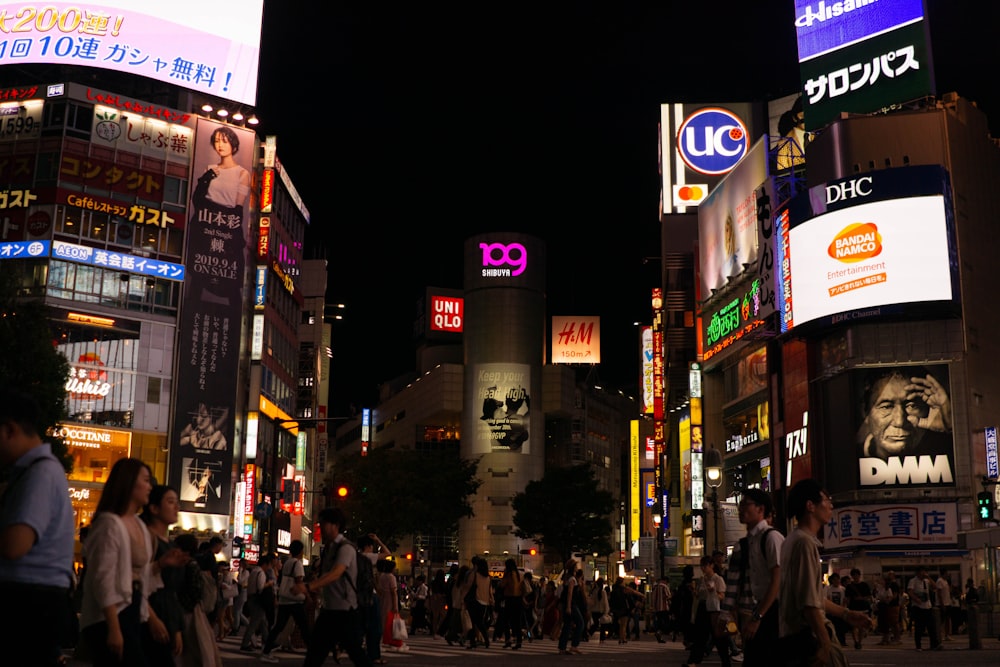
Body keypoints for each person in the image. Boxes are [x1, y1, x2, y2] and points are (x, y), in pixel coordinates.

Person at [0, 389, 76, 666]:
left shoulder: (41, 473)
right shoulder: (36, 471)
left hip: (28, 602)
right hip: (34, 600)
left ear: (9, 430)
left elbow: (15, 545)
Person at [79, 458, 162, 666]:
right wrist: (114, 627)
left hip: (132, 607)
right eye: (145, 480)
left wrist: (149, 616)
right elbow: (103, 578)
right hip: (109, 614)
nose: (150, 486)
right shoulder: (109, 524)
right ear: (129, 482)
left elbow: (141, 576)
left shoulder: (139, 526)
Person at [778, 480, 869, 667]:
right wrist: (825, 644)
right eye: (827, 500)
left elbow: (814, 596)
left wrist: (846, 614)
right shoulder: (804, 543)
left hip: (794, 638)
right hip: (807, 639)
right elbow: (809, 604)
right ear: (810, 506)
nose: (831, 505)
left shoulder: (792, 540)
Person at [302, 507, 373, 667]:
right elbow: (326, 577)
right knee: (315, 654)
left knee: (356, 653)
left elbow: (336, 573)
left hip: (345, 611)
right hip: (330, 610)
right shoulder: (329, 548)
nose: (321, 527)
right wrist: (315, 595)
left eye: (323, 524)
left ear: (335, 525)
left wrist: (309, 586)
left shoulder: (346, 548)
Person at [733, 488, 783, 667]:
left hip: (773, 611)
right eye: (740, 505)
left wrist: (757, 617)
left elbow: (777, 581)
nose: (740, 509)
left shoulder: (771, 537)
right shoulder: (749, 541)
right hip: (760, 608)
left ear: (761, 509)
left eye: (745, 504)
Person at [856, 368, 953, 460]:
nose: (900, 422)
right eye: (886, 407)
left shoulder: (947, 449)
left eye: (912, 406)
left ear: (928, 409)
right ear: (865, 411)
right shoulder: (851, 458)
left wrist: (950, 427)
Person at [140, 485, 188, 666]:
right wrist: (151, 618)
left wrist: (177, 629)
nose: (176, 507)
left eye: (177, 502)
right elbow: (135, 581)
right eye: (170, 502)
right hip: (150, 614)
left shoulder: (171, 544)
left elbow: (172, 591)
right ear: (153, 508)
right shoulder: (146, 539)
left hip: (167, 615)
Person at [260, 539, 310, 662]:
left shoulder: (287, 562)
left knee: (279, 626)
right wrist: (307, 595)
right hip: (294, 600)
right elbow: (299, 581)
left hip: (284, 599)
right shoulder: (297, 564)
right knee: (304, 626)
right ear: (301, 551)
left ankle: (266, 651)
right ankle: (313, 654)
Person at [682, 555, 731, 667]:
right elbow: (699, 595)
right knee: (700, 636)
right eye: (702, 566)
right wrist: (694, 591)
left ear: (711, 565)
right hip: (703, 608)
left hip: (714, 609)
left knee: (718, 637)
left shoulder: (718, 579)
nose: (703, 568)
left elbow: (723, 595)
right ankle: (693, 661)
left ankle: (726, 662)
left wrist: (713, 592)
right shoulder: (702, 580)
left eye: (705, 566)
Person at [192, 125, 252, 215]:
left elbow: (238, 208)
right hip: (204, 217)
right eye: (217, 141)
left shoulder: (242, 173)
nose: (220, 145)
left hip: (225, 220)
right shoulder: (210, 169)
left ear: (233, 145)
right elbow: (197, 198)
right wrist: (206, 178)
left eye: (224, 141)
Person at [356, 533, 388, 663]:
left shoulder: (355, 557)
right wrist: (378, 540)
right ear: (368, 546)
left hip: (359, 595)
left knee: (361, 625)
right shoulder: (368, 556)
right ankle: (374, 655)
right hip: (370, 595)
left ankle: (353, 651)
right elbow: (387, 553)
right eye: (372, 545)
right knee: (375, 627)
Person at [240, 554, 275, 652]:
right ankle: (245, 644)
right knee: (254, 623)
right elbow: (260, 587)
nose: (269, 567)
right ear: (265, 564)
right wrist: (269, 584)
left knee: (262, 622)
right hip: (257, 600)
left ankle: (268, 642)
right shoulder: (261, 573)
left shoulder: (254, 571)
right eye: (268, 565)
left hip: (251, 598)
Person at [906, 566, 940, 651]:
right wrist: (915, 599)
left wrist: (928, 577)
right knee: (919, 627)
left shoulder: (926, 581)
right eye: (922, 572)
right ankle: (918, 645)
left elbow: (935, 587)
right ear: (918, 573)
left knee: (931, 626)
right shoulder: (913, 581)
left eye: (924, 571)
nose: (923, 573)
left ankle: (934, 644)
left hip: (927, 606)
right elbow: (910, 591)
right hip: (918, 607)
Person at [465, 556, 494, 649]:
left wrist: (462, 597)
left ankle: (481, 640)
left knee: (475, 622)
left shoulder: (475, 574)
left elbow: (468, 587)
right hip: (484, 602)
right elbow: (490, 591)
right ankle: (480, 641)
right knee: (479, 621)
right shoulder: (488, 577)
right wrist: (491, 600)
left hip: (475, 600)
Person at [557, 558, 585, 654]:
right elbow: (570, 593)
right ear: (573, 567)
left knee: (567, 625)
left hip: (567, 604)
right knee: (580, 623)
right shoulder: (572, 579)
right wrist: (569, 606)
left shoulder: (567, 578)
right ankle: (574, 645)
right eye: (576, 566)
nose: (577, 568)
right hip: (571, 604)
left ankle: (562, 647)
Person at [845, 567, 872, 649]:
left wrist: (862, 598)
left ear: (859, 575)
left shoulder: (864, 585)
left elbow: (869, 596)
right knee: (854, 626)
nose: (855, 577)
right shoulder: (849, 586)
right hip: (853, 607)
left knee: (861, 626)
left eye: (857, 575)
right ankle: (856, 641)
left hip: (863, 606)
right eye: (854, 575)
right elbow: (847, 598)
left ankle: (859, 641)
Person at [501, 557, 525, 648]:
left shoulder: (508, 574)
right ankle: (519, 641)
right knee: (517, 621)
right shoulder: (519, 574)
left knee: (506, 620)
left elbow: (503, 585)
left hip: (510, 599)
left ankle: (508, 639)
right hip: (518, 599)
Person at [826, 573, 849, 647]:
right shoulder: (828, 589)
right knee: (832, 627)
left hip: (841, 610)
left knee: (841, 627)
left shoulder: (843, 589)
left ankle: (842, 641)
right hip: (831, 611)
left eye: (837, 579)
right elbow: (828, 598)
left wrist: (843, 608)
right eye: (835, 579)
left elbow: (845, 600)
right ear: (832, 580)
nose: (836, 581)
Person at [651, 574, 672, 643]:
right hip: (664, 607)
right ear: (665, 581)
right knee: (666, 622)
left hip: (657, 608)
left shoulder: (655, 587)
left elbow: (653, 598)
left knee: (659, 622)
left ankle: (659, 635)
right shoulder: (664, 587)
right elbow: (668, 596)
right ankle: (660, 632)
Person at [429, 568, 448, 639]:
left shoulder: (433, 582)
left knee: (435, 616)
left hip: (434, 600)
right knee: (443, 615)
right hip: (442, 600)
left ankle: (434, 630)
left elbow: (432, 591)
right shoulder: (444, 583)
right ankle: (439, 630)